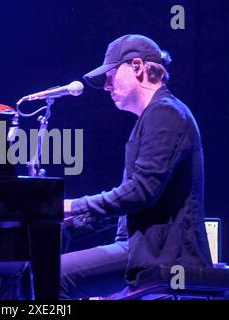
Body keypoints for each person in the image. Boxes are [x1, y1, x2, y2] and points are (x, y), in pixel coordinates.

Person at [61, 34, 213, 299]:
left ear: (138, 67)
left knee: (52, 276)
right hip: (142, 249)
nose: (106, 86)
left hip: (164, 256)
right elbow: (134, 203)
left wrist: (73, 206)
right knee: (39, 272)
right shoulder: (153, 116)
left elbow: (141, 192)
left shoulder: (166, 113)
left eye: (110, 75)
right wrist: (72, 223)